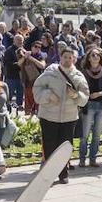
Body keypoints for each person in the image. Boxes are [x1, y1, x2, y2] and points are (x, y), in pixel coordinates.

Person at [33, 45, 89, 184]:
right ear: (60, 57)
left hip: (69, 118)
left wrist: (75, 95)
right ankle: (49, 174)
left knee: (64, 147)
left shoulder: (78, 76)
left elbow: (84, 97)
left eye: (70, 57)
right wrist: (48, 95)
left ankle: (63, 173)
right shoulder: (50, 72)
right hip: (49, 116)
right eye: (65, 57)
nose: (67, 60)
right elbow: (37, 89)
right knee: (49, 146)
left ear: (74, 59)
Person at [79, 49, 102, 168]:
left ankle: (93, 158)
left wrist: (99, 94)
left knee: (97, 134)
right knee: (85, 134)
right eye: (93, 55)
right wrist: (88, 95)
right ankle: (82, 159)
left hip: (101, 106)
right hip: (88, 106)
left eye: (98, 55)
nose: (96, 56)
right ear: (89, 58)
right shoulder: (84, 72)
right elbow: (81, 88)